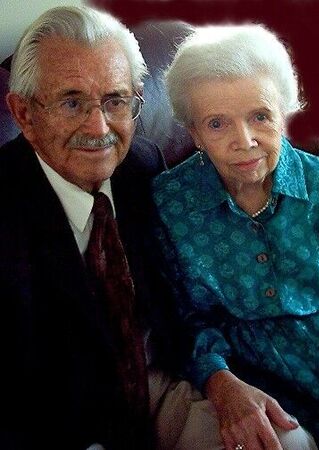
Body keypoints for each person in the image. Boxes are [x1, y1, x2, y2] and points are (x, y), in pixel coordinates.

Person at [0, 6, 227, 450]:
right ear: (23, 114)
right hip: (55, 416)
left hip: (154, 383)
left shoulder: (144, 165)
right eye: (72, 102)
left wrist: (221, 379)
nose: (99, 128)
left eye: (115, 100)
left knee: (285, 440)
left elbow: (175, 299)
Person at [151, 23, 319, 450]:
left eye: (260, 116)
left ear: (284, 112)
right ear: (193, 133)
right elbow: (184, 320)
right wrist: (220, 381)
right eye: (217, 124)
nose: (244, 141)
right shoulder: (168, 204)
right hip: (250, 375)